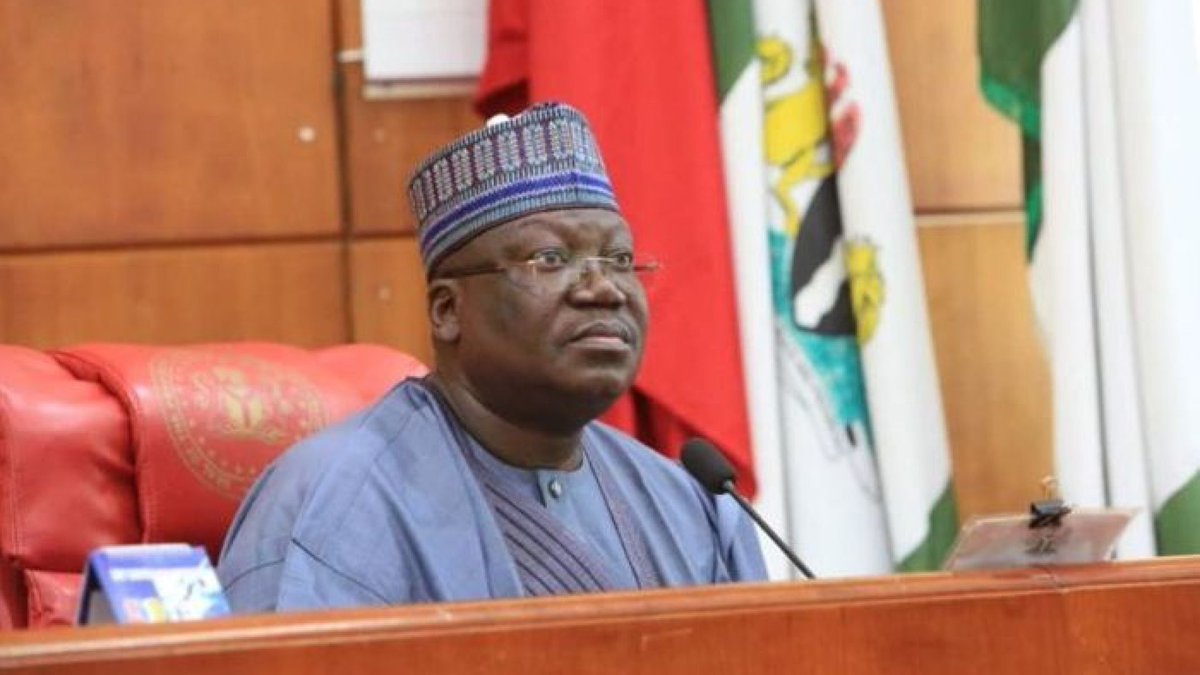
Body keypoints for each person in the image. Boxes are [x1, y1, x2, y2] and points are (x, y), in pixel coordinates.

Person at [216, 103, 766, 612]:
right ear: (447, 310)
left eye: (620, 259)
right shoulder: (335, 508)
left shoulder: (691, 503)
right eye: (550, 259)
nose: (604, 288)